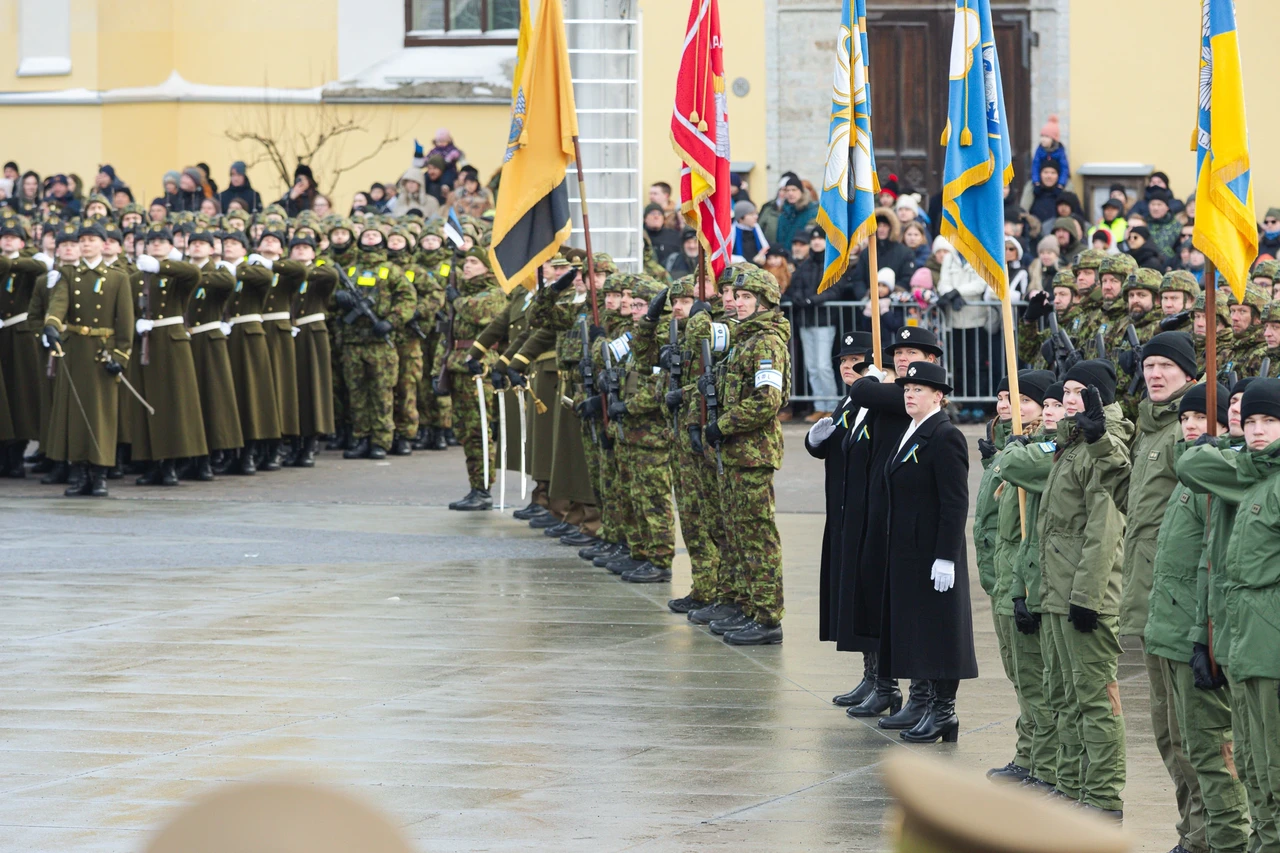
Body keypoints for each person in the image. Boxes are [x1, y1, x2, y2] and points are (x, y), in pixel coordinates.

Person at [1145, 381, 1250, 853]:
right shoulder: (1190, 471)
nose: (1189, 425)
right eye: (1184, 417)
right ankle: (1195, 834)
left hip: (1197, 631)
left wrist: (1203, 636)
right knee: (1175, 743)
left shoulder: (1217, 474)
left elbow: (1213, 564)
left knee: (1209, 749)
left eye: (1200, 417)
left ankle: (1222, 840)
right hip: (1167, 628)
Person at [1177, 378, 1280, 853]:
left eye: (1270, 421)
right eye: (1251, 420)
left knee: (1275, 770)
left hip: (1272, 651)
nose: (1257, 430)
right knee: (1254, 770)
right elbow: (1190, 463)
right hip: (1244, 649)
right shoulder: (1251, 476)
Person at [1037, 360, 1133, 821]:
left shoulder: (1102, 444)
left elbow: (1104, 529)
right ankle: (1072, 785)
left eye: (1080, 392)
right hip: (1059, 588)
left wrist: (1087, 598)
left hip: (1085, 594)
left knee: (1096, 700)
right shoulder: (1073, 442)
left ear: (1100, 396)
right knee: (1065, 696)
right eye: (1067, 392)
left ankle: (1102, 796)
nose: (1070, 399)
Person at [842, 326, 946, 722]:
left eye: (912, 352)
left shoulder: (915, 394)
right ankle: (879, 680)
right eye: (898, 353)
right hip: (876, 506)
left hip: (906, 518)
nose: (902, 359)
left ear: (931, 361)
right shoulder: (893, 390)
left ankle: (916, 695)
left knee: (908, 609)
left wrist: (870, 380)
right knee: (874, 596)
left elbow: (864, 392)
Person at [878, 360, 977, 742]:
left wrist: (947, 556)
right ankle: (924, 705)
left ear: (938, 396)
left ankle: (944, 711)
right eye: (906, 389)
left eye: (918, 389)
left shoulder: (945, 435)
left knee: (942, 632)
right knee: (920, 630)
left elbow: (955, 502)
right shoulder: (912, 430)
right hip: (909, 551)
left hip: (934, 552)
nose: (909, 395)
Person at [701, 267, 791, 646]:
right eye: (736, 297)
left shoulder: (766, 343)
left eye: (746, 298)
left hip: (752, 454)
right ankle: (746, 605)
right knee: (736, 534)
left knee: (756, 535)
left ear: (764, 302)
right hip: (735, 453)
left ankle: (767, 617)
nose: (736, 303)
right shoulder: (743, 339)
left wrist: (722, 425)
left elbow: (766, 400)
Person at [995, 380, 1068, 793]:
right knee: (1021, 677)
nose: (1011, 405)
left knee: (1038, 681)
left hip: (1027, 579)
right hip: (1007, 576)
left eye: (1024, 399)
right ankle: (1028, 756)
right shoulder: (1014, 446)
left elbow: (1028, 534)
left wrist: (1020, 585)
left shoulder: (1040, 450)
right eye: (1006, 398)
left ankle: (1044, 765)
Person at [805, 331, 873, 669]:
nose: (848, 366)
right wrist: (814, 441)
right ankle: (870, 674)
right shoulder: (847, 401)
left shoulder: (873, 402)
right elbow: (834, 445)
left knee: (863, 596)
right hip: (841, 507)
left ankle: (879, 678)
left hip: (862, 508)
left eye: (855, 360)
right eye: (844, 361)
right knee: (847, 595)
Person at [126, 227, 207, 485]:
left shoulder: (175, 274)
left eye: (162, 242)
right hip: (147, 343)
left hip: (173, 343)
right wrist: (135, 324)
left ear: (171, 247)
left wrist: (161, 267)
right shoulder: (135, 278)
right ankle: (152, 462)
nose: (156, 245)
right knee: (148, 404)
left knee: (175, 404)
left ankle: (172, 463)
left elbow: (193, 273)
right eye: (152, 242)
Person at [335, 226, 416, 461]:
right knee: (357, 393)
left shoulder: (391, 270)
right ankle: (361, 437)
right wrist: (339, 298)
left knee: (382, 393)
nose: (370, 238)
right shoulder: (350, 269)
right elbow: (332, 295)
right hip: (353, 341)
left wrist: (391, 321)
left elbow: (408, 298)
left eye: (375, 235)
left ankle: (381, 441)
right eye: (366, 235)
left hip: (379, 342)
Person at [449, 248, 509, 509]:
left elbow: (477, 313)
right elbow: (449, 336)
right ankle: (475, 486)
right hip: (458, 368)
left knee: (479, 431)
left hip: (479, 370)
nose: (467, 266)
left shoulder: (494, 293)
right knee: (465, 431)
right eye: (466, 262)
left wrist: (456, 301)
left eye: (474, 262)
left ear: (487, 267)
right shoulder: (463, 293)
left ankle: (483, 489)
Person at [183, 229, 242, 480]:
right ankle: (190, 456)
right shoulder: (180, 270)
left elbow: (226, 284)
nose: (197, 247)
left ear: (211, 249)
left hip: (208, 340)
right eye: (193, 243)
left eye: (202, 244)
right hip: (184, 341)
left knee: (211, 399)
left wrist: (190, 274)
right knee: (188, 401)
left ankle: (209, 456)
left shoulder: (218, 272)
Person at [787, 226, 841, 419]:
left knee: (823, 365)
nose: (817, 242)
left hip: (824, 321)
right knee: (812, 366)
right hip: (806, 321)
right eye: (814, 239)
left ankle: (832, 405)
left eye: (820, 238)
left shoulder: (833, 263)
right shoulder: (805, 265)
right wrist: (798, 298)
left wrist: (812, 300)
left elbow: (834, 290)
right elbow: (796, 286)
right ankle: (820, 405)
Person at [773, 175, 816, 251]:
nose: (790, 193)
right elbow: (779, 239)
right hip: (785, 255)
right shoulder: (783, 215)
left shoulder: (812, 212)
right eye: (787, 190)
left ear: (801, 191)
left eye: (794, 190)